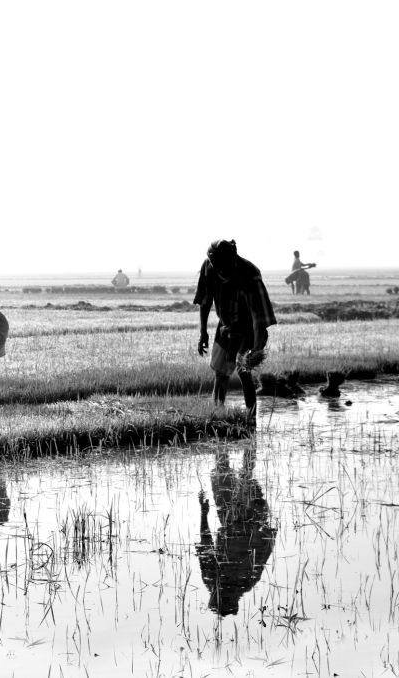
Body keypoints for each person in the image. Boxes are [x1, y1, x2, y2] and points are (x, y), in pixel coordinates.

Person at [194, 240, 277, 423]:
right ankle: (217, 415)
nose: (220, 270)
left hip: (248, 328)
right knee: (220, 372)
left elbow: (258, 317)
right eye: (217, 266)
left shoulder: (249, 274)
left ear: (232, 259)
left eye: (223, 266)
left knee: (243, 371)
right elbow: (205, 301)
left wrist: (256, 349)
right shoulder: (208, 267)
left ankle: (251, 419)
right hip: (225, 324)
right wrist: (203, 332)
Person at [196, 444, 276, 616]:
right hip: (251, 519)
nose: (215, 591)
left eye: (215, 594)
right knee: (246, 475)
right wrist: (261, 527)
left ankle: (222, 436)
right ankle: (248, 437)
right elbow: (267, 545)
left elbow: (205, 545)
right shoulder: (248, 579)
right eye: (217, 595)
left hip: (229, 521)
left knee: (220, 472)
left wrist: (204, 513)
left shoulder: (212, 581)